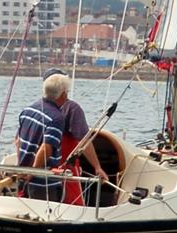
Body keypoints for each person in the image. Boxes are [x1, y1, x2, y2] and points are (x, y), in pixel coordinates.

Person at [43, 66, 109, 204]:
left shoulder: (35, 107)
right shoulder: (72, 109)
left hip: (39, 166)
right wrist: (97, 167)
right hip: (65, 168)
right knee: (74, 204)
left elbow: (19, 140)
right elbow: (84, 141)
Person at [16, 72, 68, 200]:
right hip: (42, 182)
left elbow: (18, 141)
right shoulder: (57, 118)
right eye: (67, 92)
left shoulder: (28, 110)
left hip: (23, 175)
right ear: (63, 94)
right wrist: (33, 172)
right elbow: (46, 149)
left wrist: (22, 166)